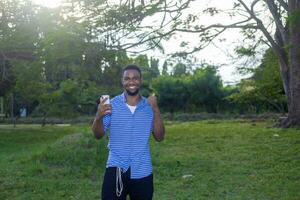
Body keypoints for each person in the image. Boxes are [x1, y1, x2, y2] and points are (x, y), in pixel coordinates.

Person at [92, 64, 165, 200]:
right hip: (116, 169)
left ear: (141, 81)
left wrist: (155, 109)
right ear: (122, 81)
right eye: (127, 78)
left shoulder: (149, 106)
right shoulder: (111, 105)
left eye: (135, 78)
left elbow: (160, 137)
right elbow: (98, 135)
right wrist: (98, 116)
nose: (131, 82)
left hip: (142, 170)